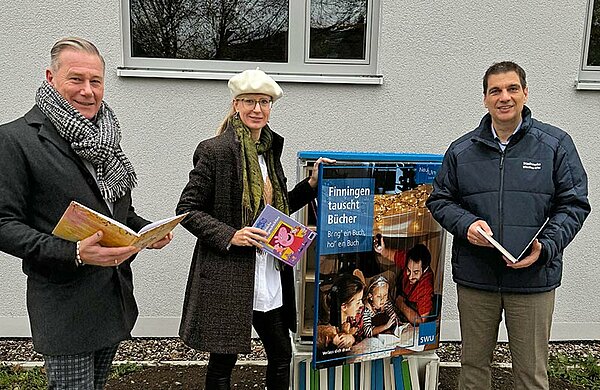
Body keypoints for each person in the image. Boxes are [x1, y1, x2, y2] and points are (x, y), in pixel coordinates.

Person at [0, 37, 172, 389]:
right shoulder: (15, 139)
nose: (88, 91)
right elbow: (4, 224)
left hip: (113, 301)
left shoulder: (106, 138)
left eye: (96, 81)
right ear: (50, 78)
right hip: (65, 308)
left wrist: (145, 230)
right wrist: (75, 252)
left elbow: (116, 208)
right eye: (76, 79)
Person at [426, 61, 590, 390]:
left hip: (533, 279)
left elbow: (574, 204)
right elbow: (439, 200)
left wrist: (546, 247)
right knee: (473, 370)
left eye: (512, 88)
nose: (505, 97)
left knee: (530, 376)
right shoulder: (462, 151)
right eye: (495, 90)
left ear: (525, 93)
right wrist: (467, 224)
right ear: (485, 98)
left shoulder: (554, 145)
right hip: (477, 279)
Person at [176, 68, 333, 390]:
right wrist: (231, 234)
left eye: (264, 102)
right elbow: (187, 210)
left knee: (280, 354)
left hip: (268, 270)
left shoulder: (270, 152)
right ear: (236, 104)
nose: (257, 109)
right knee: (223, 362)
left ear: (271, 106)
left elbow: (275, 210)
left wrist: (312, 185)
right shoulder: (214, 150)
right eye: (249, 101)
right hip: (230, 271)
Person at [375, 241, 434, 324]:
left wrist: (401, 304)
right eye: (408, 270)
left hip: (407, 311)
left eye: (416, 272)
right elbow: (388, 254)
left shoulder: (426, 288)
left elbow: (420, 321)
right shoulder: (409, 259)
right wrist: (381, 249)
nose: (410, 277)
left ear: (424, 270)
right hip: (399, 295)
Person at [316, 273, 365, 351]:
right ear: (344, 306)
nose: (361, 304)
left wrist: (351, 338)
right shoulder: (325, 326)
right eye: (358, 302)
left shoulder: (355, 318)